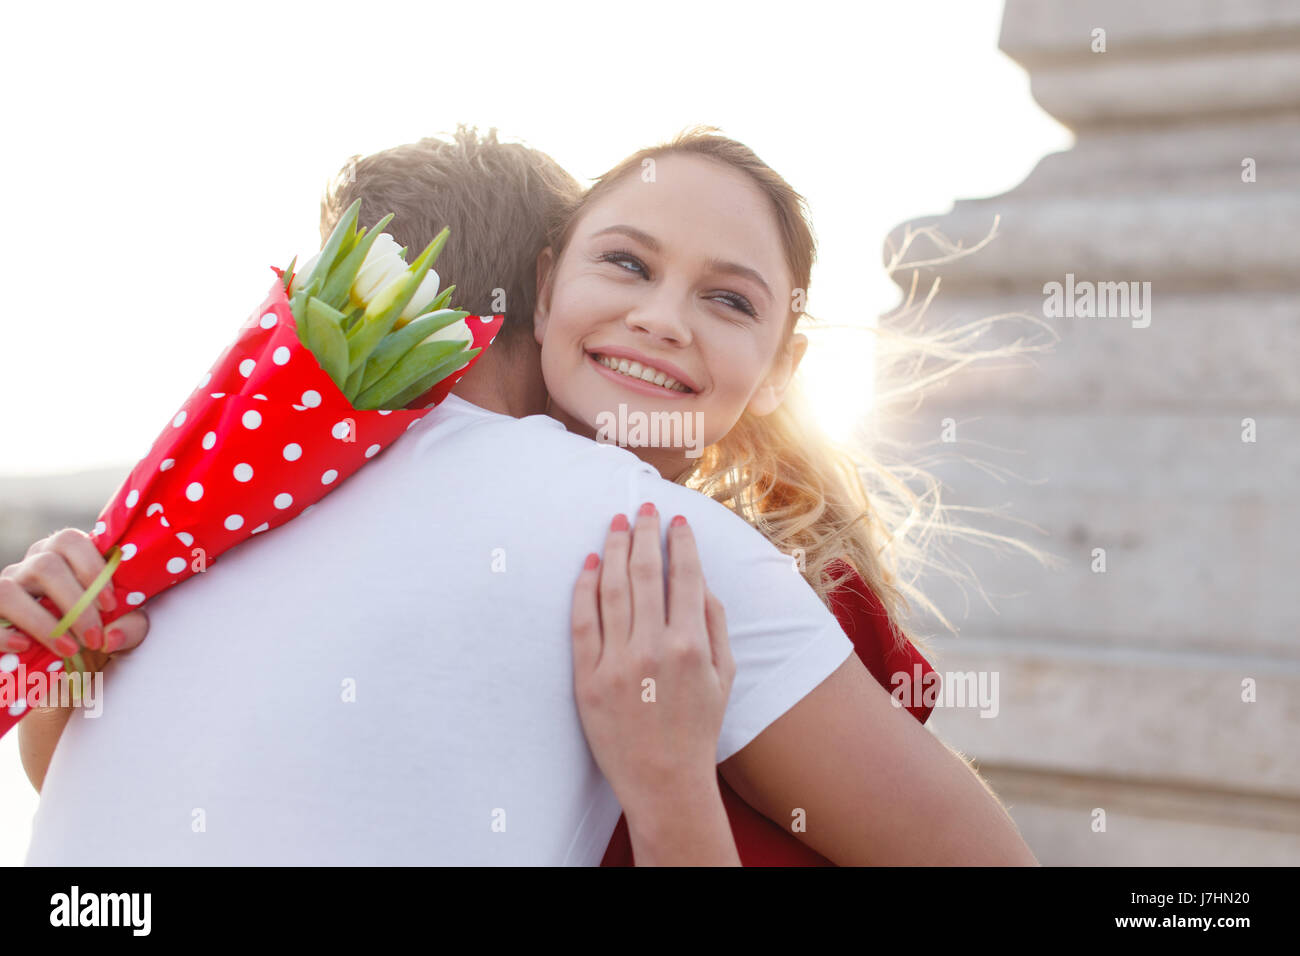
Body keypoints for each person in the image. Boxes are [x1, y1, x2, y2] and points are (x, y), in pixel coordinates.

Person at [9, 126, 1037, 865]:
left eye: (726, 297)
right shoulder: (658, 539)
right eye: (625, 263)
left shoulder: (222, 510)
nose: (660, 321)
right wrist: (77, 658)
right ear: (541, 296)